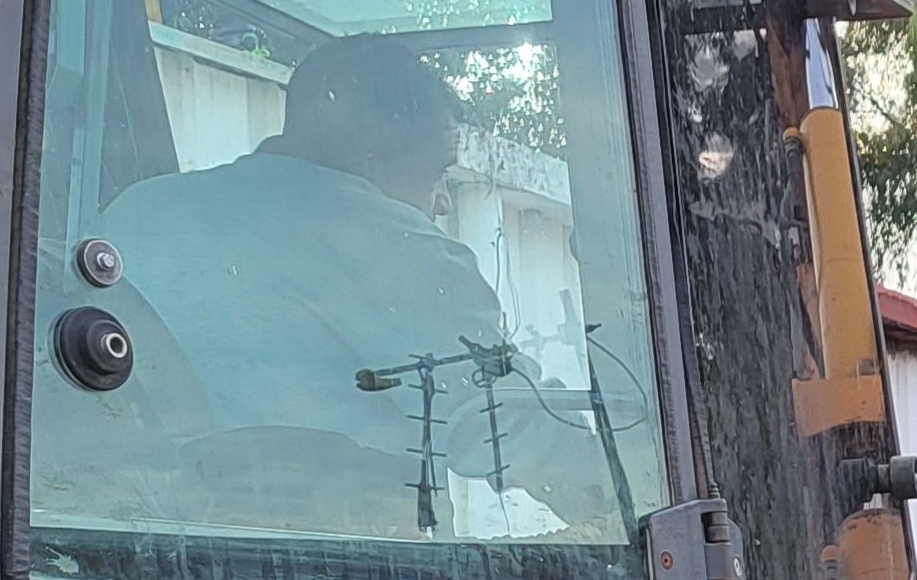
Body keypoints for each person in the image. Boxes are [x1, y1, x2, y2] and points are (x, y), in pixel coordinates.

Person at [92, 33, 612, 528]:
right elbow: (499, 423)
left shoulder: (138, 211)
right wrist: (621, 505)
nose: (444, 201)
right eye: (438, 171)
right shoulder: (391, 245)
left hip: (133, 560)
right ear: (375, 146)